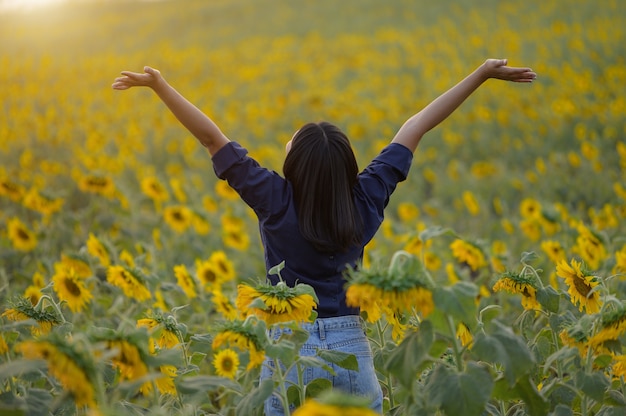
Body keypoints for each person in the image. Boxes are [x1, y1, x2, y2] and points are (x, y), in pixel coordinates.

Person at [112, 58, 536, 414]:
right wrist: (480, 75)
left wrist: (160, 86)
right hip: (353, 351)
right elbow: (417, 125)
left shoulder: (274, 198)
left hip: (291, 347)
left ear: (295, 162)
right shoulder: (365, 199)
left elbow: (210, 137)